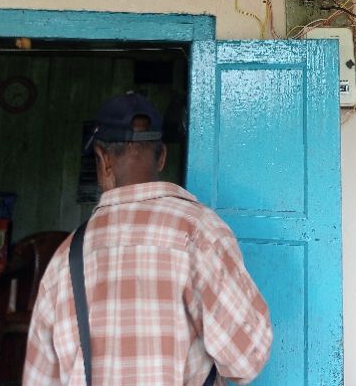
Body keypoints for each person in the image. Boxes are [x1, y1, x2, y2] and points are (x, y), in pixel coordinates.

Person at [23, 91, 272, 386]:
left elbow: (40, 378)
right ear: (162, 156)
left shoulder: (65, 259)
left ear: (102, 159)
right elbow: (246, 360)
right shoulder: (201, 233)